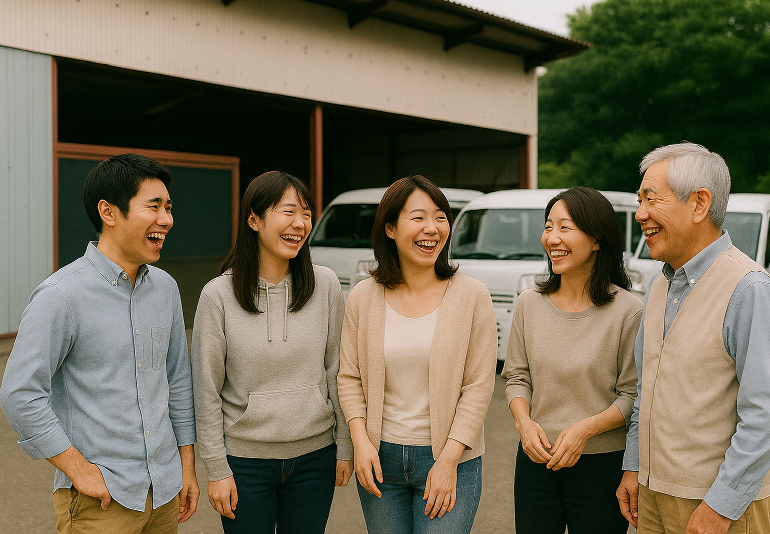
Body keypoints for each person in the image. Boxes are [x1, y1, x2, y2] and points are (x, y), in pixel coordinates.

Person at [0, 153, 199, 533]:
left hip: (165, 492)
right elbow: (20, 392)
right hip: (100, 501)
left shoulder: (166, 289)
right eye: (153, 207)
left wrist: (186, 467)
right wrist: (79, 470)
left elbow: (177, 383)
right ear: (108, 212)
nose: (167, 219)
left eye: (169, 208)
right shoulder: (61, 295)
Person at [616, 142, 770, 534]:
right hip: (653, 493)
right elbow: (648, 386)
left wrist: (721, 506)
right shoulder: (661, 284)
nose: (640, 214)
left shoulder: (749, 290)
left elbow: (768, 414)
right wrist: (633, 464)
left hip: (715, 505)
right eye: (639, 200)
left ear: (699, 204)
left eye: (650, 199)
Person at [191, 171, 353, 533]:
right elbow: (206, 391)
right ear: (254, 219)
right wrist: (216, 468)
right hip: (245, 463)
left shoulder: (325, 285)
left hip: (315, 458)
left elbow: (337, 370)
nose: (300, 223)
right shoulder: (217, 296)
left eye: (307, 214)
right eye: (288, 211)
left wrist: (344, 446)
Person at [337, 175, 497, 534]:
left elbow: (478, 385)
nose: (432, 228)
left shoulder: (472, 295)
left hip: (450, 457)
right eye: (418, 217)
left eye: (440, 217)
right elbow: (349, 377)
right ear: (390, 228)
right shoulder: (363, 296)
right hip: (381, 459)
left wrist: (448, 460)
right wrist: (360, 443)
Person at [501, 187, 642, 534]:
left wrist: (585, 429)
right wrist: (524, 423)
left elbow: (632, 396)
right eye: (548, 227)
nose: (552, 238)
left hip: (603, 465)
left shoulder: (629, 310)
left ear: (596, 240)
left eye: (565, 227)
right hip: (537, 460)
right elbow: (517, 377)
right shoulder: (528, 303)